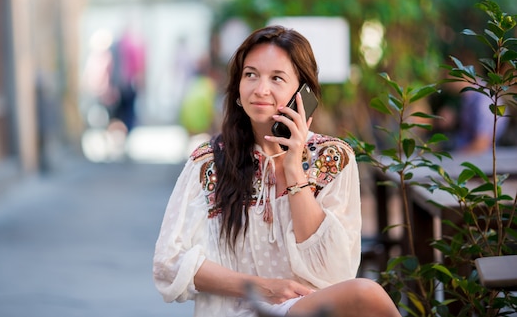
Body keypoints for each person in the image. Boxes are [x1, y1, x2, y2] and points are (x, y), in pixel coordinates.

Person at [153, 25, 400, 317]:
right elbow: (168, 265)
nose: (260, 89)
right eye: (251, 75)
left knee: (365, 294)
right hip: (237, 311)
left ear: (302, 92)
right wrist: (260, 286)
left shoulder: (332, 158)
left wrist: (295, 169)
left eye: (277, 78)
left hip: (311, 309)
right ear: (237, 86)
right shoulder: (208, 163)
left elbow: (334, 272)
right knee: (367, 294)